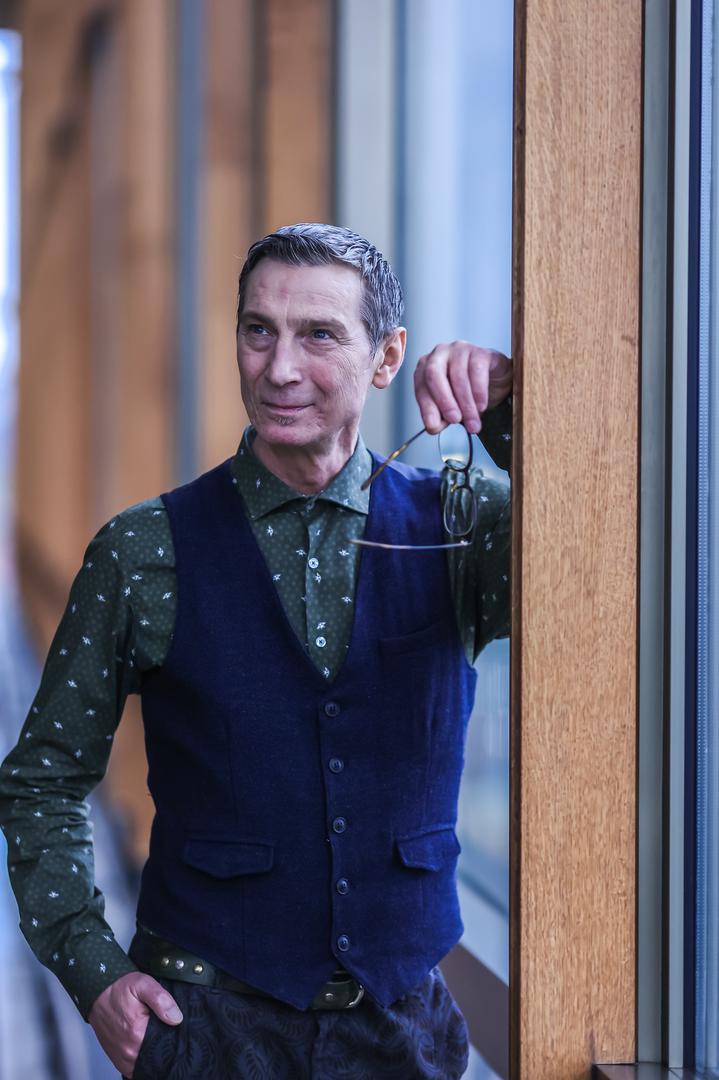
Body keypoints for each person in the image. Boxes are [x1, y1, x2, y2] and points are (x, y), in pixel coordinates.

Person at [0, 223, 512, 1079]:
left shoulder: (460, 529)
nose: (278, 368)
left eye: (318, 335)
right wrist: (94, 975)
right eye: (257, 330)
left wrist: (512, 408)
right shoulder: (142, 551)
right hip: (203, 1026)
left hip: (404, 1035)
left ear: (386, 358)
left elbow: (606, 566)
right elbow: (42, 780)